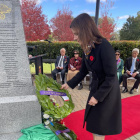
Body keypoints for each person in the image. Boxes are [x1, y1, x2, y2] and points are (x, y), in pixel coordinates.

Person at [61, 13, 122, 140]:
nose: (74, 37)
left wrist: (98, 97)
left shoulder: (104, 46)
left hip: (106, 92)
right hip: (96, 90)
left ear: (85, 31)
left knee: (100, 126)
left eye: (76, 34)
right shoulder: (87, 48)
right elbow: (83, 71)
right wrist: (69, 84)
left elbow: (111, 76)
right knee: (94, 124)